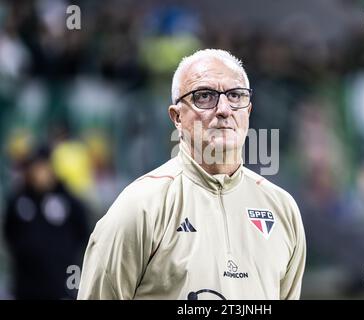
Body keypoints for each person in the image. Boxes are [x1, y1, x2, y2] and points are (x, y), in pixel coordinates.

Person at [77, 49, 307, 300]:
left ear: (248, 112)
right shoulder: (140, 207)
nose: (223, 109)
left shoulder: (282, 209)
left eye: (235, 95)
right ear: (176, 117)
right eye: (204, 96)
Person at [3, 146, 90, 299]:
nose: (41, 174)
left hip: (60, 284)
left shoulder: (68, 200)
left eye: (45, 168)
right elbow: (9, 232)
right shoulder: (19, 200)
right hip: (26, 285)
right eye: (37, 169)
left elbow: (82, 230)